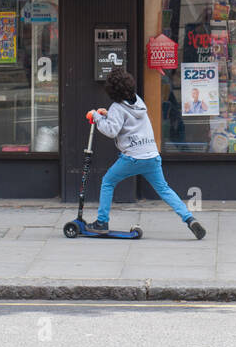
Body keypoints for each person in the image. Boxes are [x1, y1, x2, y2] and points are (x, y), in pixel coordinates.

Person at [86, 67, 206, 239]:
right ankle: (189, 219)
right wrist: (107, 115)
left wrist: (96, 117)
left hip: (132, 157)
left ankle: (101, 222)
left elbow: (111, 130)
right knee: (164, 189)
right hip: (152, 156)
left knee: (107, 182)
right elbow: (125, 120)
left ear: (112, 90)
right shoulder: (138, 102)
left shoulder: (116, 107)